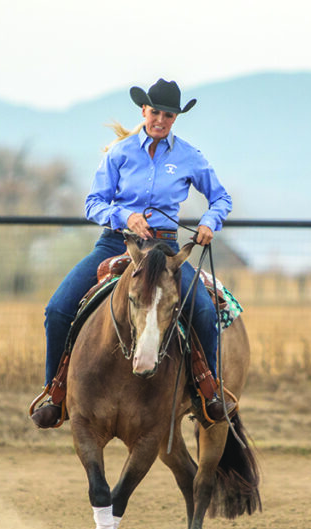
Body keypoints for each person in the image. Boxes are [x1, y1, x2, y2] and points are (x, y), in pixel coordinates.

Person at [30, 78, 234, 429]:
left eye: (169, 115)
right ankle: (56, 391)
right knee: (58, 309)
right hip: (115, 242)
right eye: (156, 112)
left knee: (202, 309)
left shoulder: (189, 157)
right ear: (144, 111)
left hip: (167, 250)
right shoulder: (120, 153)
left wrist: (209, 222)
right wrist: (125, 216)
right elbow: (93, 203)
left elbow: (221, 199)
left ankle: (208, 391)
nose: (161, 120)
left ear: (175, 118)